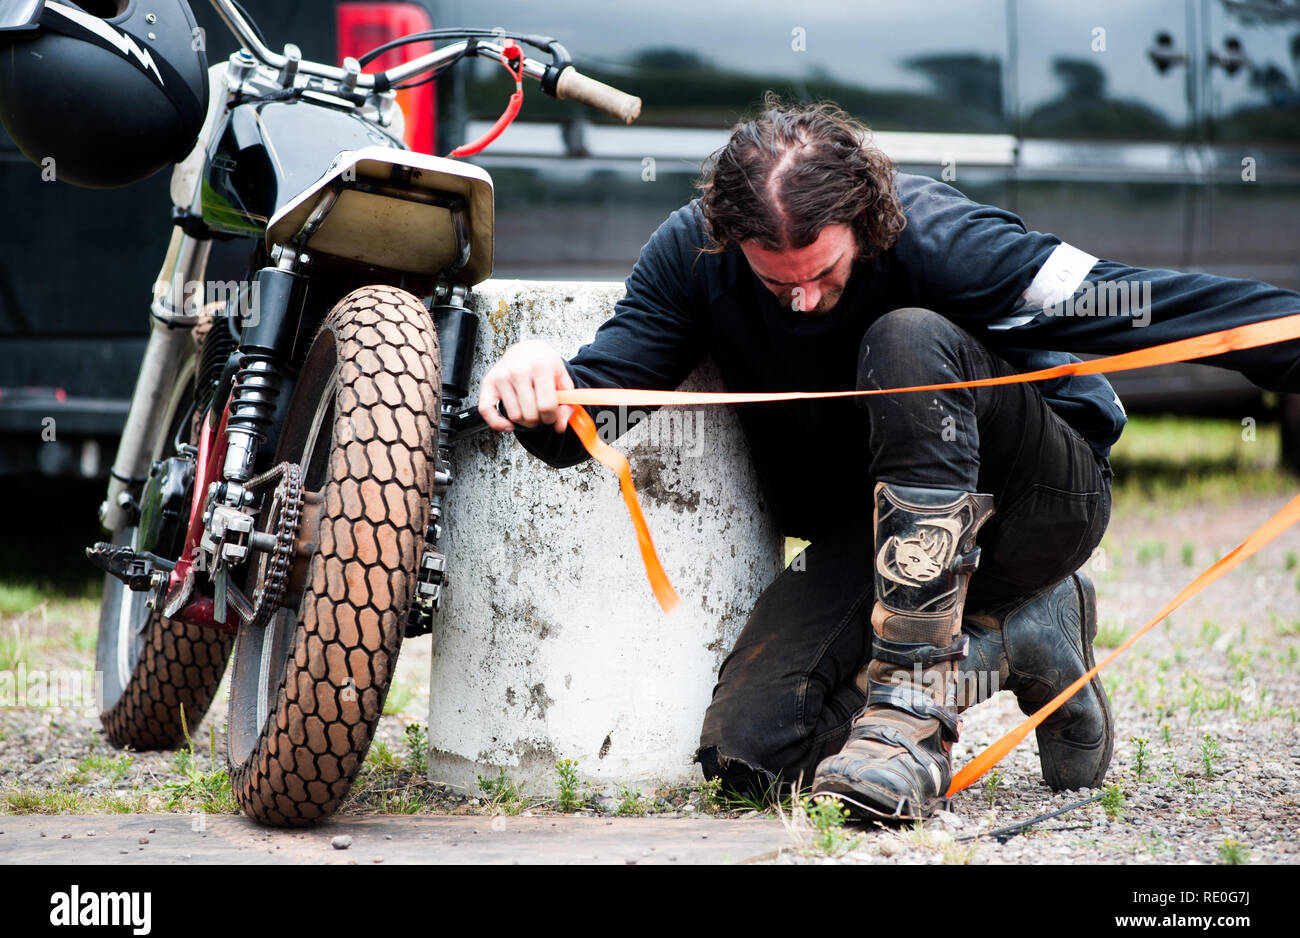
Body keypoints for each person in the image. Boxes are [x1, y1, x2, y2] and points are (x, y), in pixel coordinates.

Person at [475, 96, 1300, 820]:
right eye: (775, 284)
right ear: (729, 239)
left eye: (822, 272)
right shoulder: (690, 257)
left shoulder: (945, 239)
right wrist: (544, 390)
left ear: (866, 221)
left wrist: (1288, 339)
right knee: (756, 749)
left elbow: (1140, 302)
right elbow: (600, 398)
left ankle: (912, 710)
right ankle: (1016, 641)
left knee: (904, 338)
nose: (801, 300)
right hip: (881, 536)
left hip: (1036, 500)